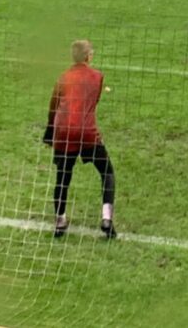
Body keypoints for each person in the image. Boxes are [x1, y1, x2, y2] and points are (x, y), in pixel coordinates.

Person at [43, 39, 118, 239]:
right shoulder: (97, 77)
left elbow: (53, 105)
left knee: (63, 176)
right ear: (88, 56)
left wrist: (50, 131)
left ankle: (59, 221)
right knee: (107, 171)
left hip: (64, 133)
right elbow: (92, 102)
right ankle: (106, 218)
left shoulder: (63, 77)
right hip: (87, 133)